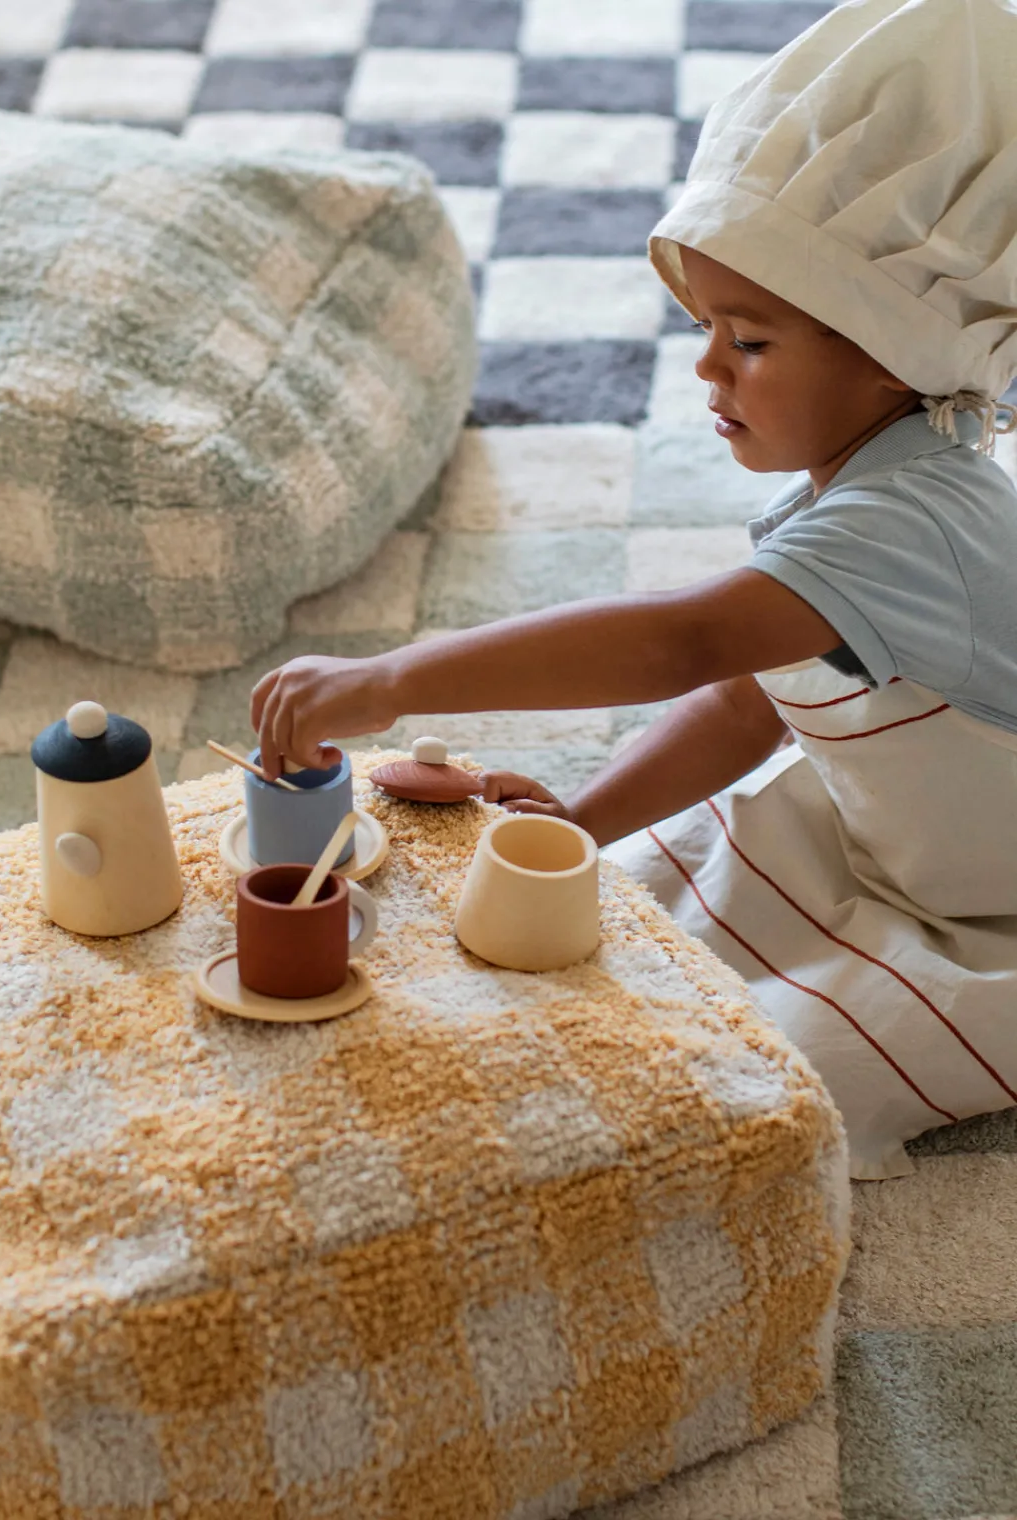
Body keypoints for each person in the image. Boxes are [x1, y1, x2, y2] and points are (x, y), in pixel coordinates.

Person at [251, 0, 1017, 1179]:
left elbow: (682, 643)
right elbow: (745, 700)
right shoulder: (865, 482)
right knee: (619, 911)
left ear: (894, 355)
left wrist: (392, 677)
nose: (705, 364)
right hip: (892, 846)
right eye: (706, 326)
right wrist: (582, 822)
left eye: (748, 340)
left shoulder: (914, 524)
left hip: (992, 922)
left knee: (740, 1082)